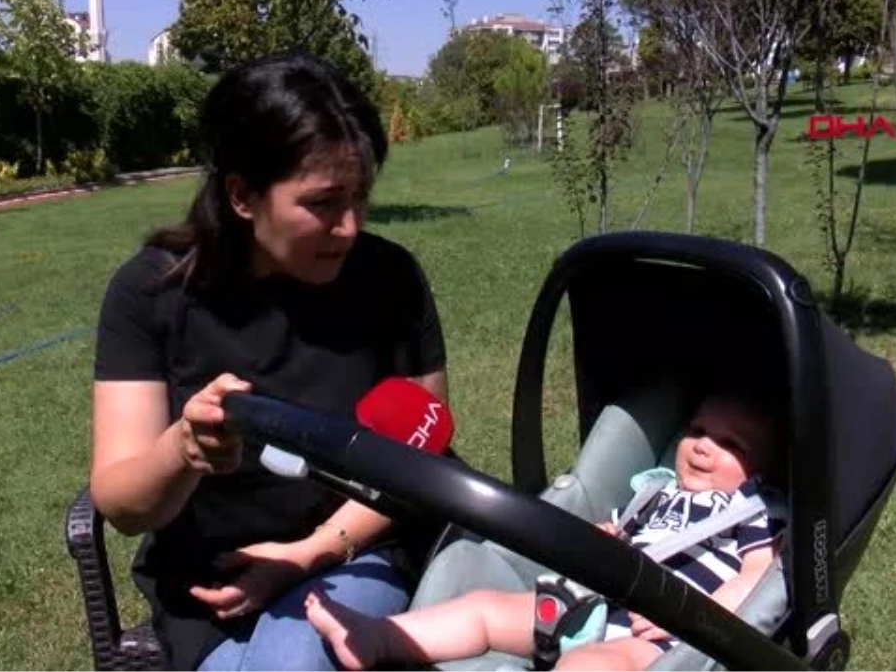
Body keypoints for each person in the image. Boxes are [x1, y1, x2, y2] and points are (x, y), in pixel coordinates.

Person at [89, 51, 448, 672]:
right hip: (210, 594)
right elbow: (120, 502)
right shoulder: (150, 295)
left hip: (358, 554)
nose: (350, 226)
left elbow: (422, 456)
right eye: (323, 203)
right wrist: (183, 449)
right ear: (242, 196)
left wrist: (308, 554)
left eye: (361, 197)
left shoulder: (390, 280)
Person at [303, 394, 786, 672]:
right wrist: (604, 539)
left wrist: (698, 617)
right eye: (697, 430)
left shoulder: (749, 510)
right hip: (586, 602)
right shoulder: (655, 490)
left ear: (761, 471)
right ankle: (380, 636)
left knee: (591, 667)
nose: (703, 447)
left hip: (658, 637)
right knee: (485, 610)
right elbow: (616, 534)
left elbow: (759, 576)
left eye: (729, 444)